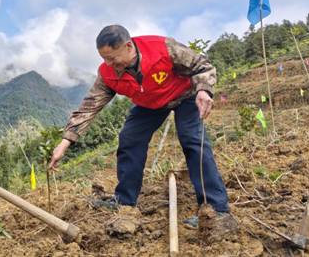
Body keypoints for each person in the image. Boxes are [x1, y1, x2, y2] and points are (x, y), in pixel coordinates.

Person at [49, 25, 237, 236]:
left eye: (112, 58)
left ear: (128, 47)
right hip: (150, 104)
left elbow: (202, 65)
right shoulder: (107, 73)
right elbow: (90, 106)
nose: (109, 64)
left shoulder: (163, 48)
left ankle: (215, 208)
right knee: (129, 138)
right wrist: (65, 142)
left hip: (185, 96)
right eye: (104, 59)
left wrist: (204, 90)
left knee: (192, 140)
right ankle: (124, 201)